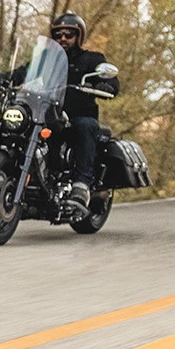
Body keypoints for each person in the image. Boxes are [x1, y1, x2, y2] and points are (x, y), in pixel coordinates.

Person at [45, 13, 119, 214]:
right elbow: (24, 72)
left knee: (85, 125)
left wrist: (107, 85)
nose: (63, 38)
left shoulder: (92, 59)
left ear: (78, 37)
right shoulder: (46, 61)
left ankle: (82, 186)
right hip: (50, 117)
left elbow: (111, 81)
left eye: (68, 34)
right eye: (58, 35)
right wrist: (2, 79)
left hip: (77, 117)